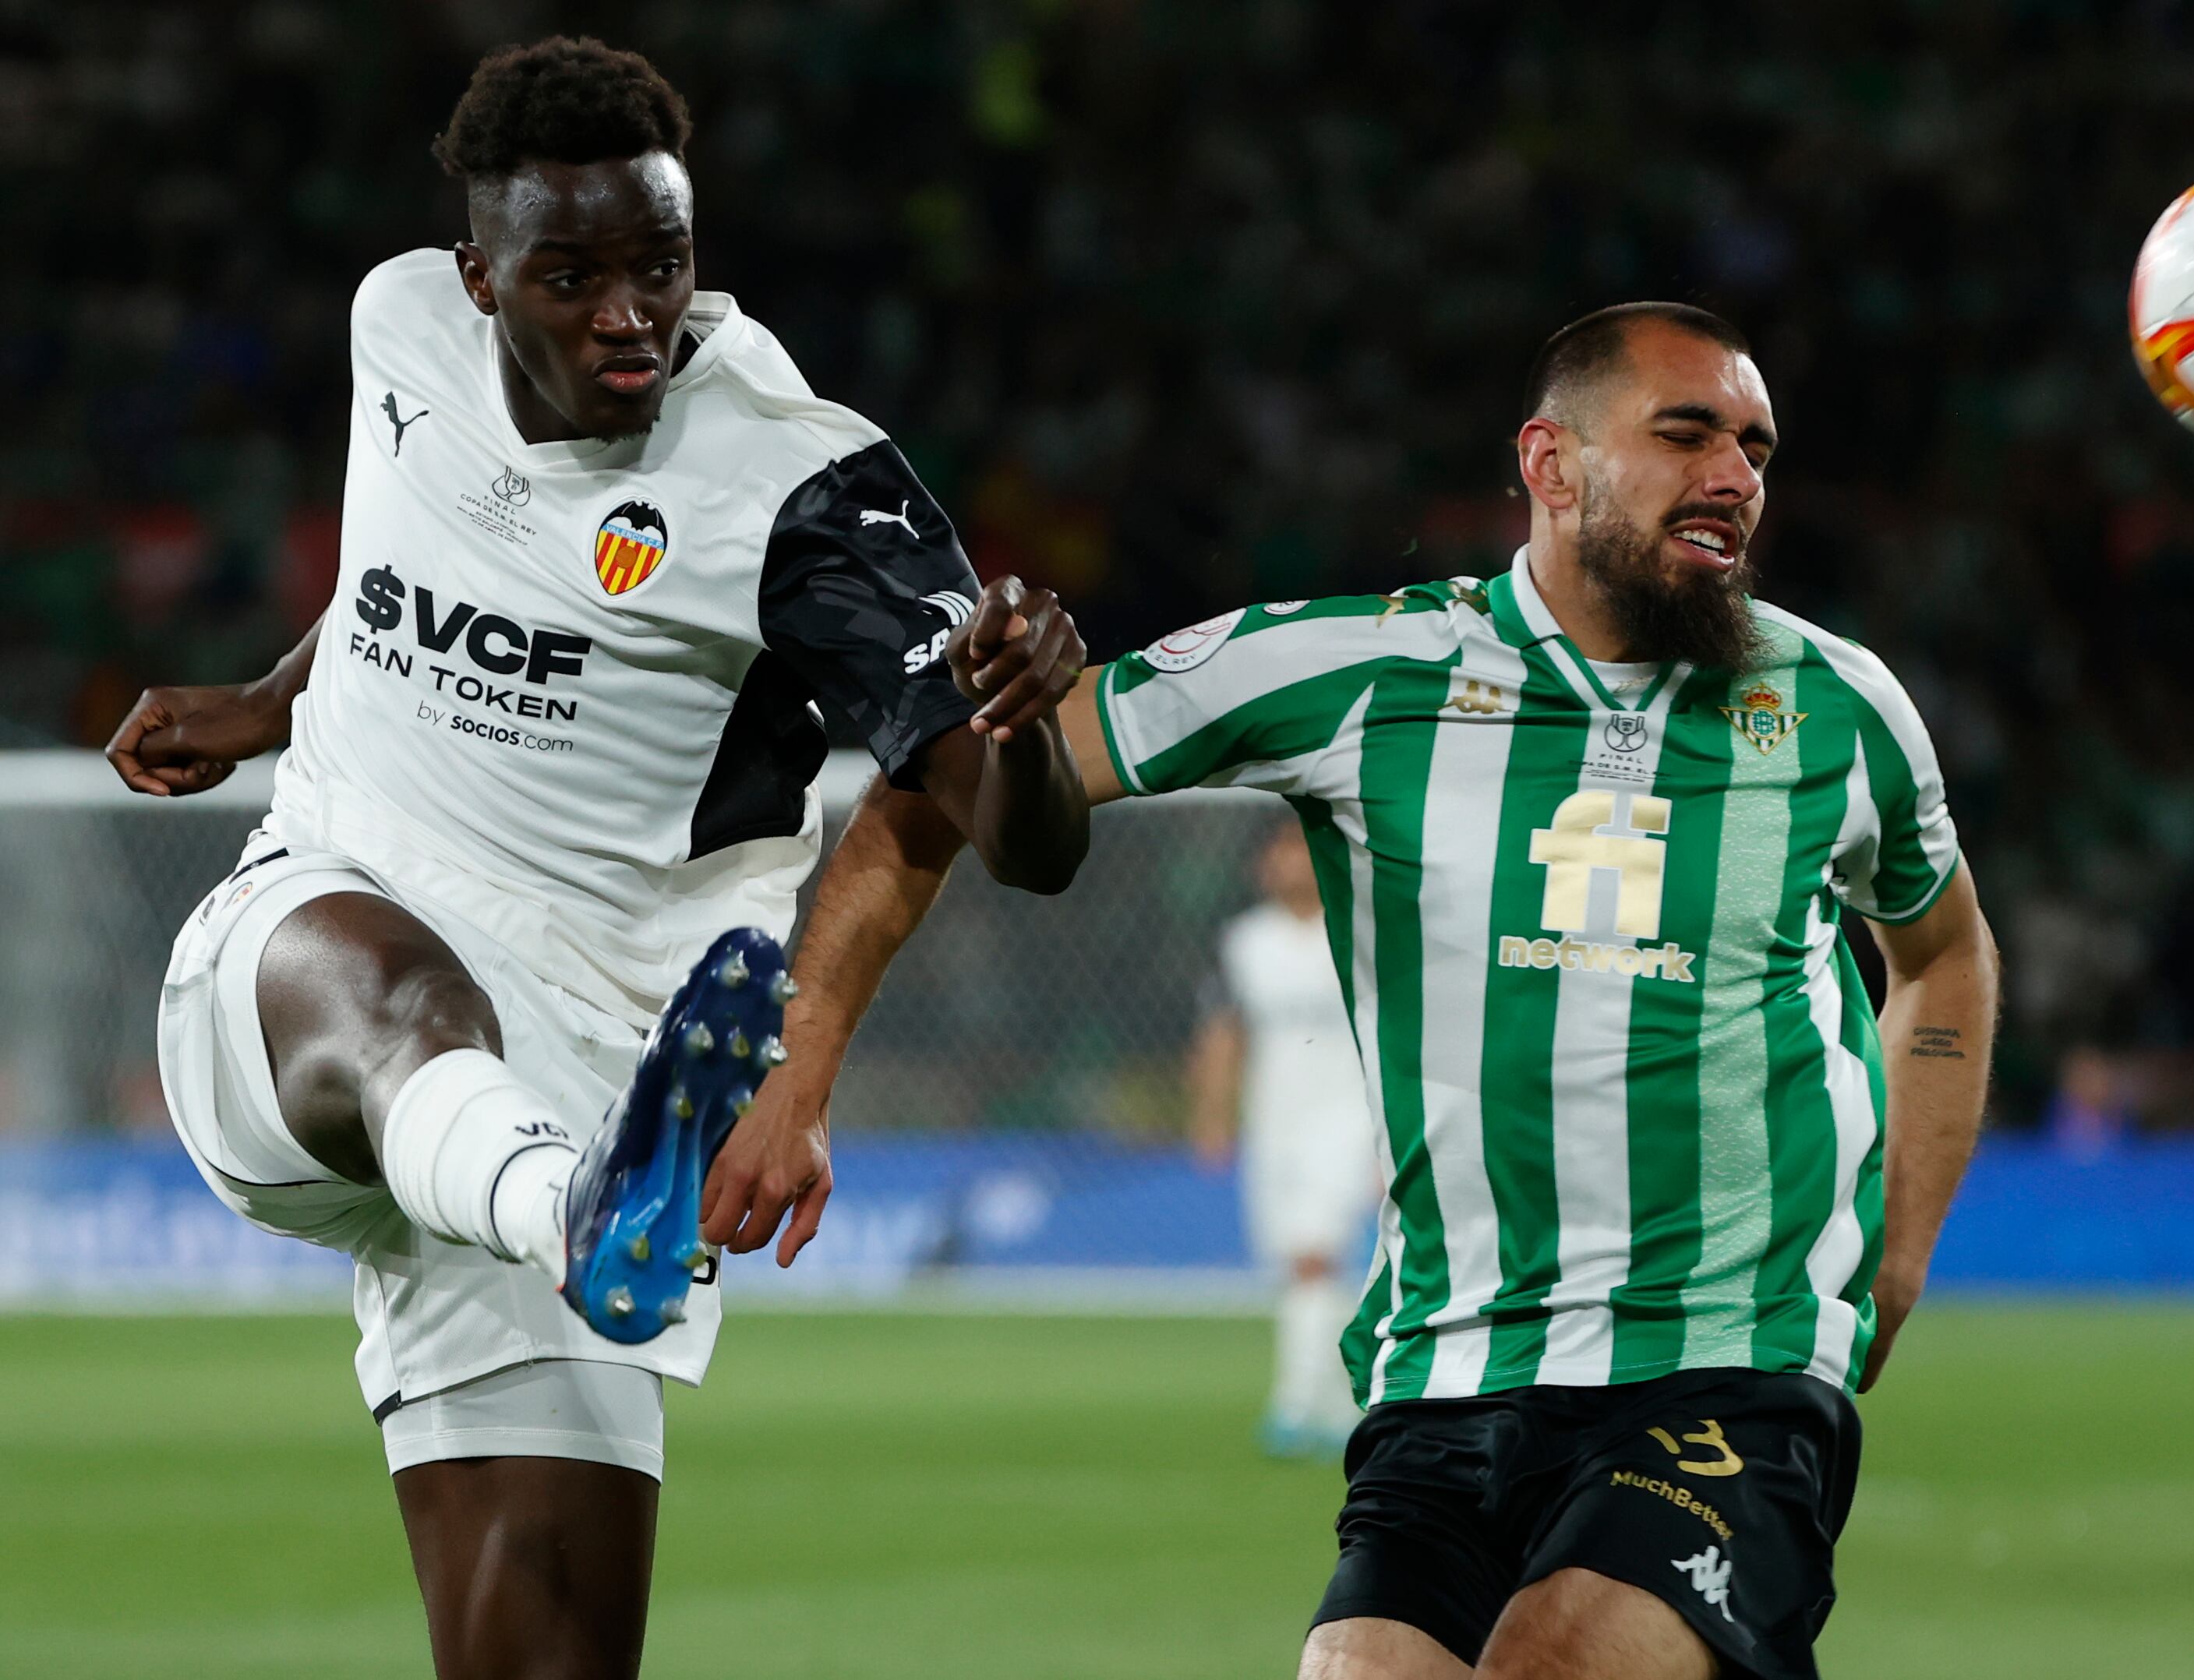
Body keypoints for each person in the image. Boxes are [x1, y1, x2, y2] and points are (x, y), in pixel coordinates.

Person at [799, 302, 2001, 1679]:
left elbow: (1942, 952)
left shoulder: (1837, 708)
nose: (1734, 475)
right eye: (1686, 434)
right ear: (1548, 465)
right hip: (1444, 1374)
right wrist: (805, 1057)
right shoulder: (1357, 671)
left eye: (1755, 446)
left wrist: (1893, 1256)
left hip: (1720, 1367)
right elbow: (981, 788)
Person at [102, 37, 1089, 1680]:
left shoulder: (805, 487)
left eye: (661, 263)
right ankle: (560, 1201)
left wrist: (1028, 721)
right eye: (573, 275)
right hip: (324, 946)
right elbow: (407, 546)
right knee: (397, 989)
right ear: (480, 276)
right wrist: (275, 702)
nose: (630, 310)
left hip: (598, 1071)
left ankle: (566, 1198)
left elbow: (1022, 844)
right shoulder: (393, 320)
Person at [1189, 819, 1382, 1457]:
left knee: (1313, 1253)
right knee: (1296, 1268)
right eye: (1277, 852)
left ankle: (1296, 1404)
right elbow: (1222, 1031)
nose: (1287, 864)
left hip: (1349, 1115)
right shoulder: (1244, 942)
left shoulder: (1360, 930)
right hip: (1273, 1122)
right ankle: (1332, 1405)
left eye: (1298, 850)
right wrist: (1212, 1117)